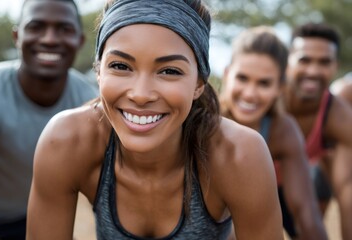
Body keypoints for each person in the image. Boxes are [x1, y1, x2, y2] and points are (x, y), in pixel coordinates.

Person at [26, 0, 283, 239]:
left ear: (198, 83)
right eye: (120, 66)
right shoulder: (65, 142)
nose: (140, 95)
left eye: (169, 71)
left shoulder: (239, 154)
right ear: (99, 71)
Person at [0, 0, 98, 239]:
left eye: (64, 29)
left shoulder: (88, 99)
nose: (50, 39)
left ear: (80, 41)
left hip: (29, 216)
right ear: (17, 36)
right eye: (37, 26)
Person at [219, 26, 327, 240]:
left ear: (280, 87)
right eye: (242, 78)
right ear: (227, 74)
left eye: (264, 83)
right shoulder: (203, 120)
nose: (250, 94)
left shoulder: (282, 130)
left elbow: (305, 211)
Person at [284, 22, 352, 240]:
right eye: (305, 60)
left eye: (324, 62)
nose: (313, 71)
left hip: (298, 187)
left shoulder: (338, 116)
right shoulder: (265, 100)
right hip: (249, 184)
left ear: (335, 66)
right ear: (287, 62)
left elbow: (347, 190)